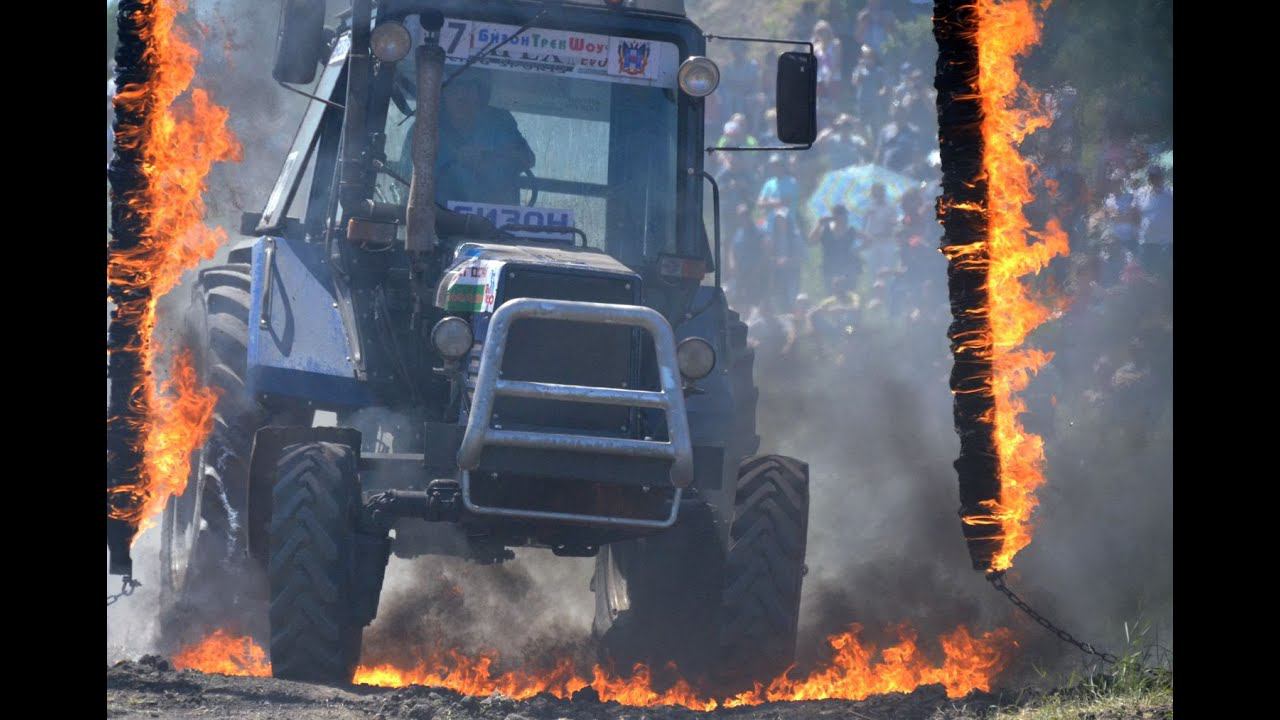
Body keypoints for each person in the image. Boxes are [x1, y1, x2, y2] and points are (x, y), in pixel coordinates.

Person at [399, 70, 535, 206]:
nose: (461, 95)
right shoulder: (425, 128)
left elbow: (526, 159)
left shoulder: (500, 123)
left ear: (480, 94)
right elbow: (404, 181)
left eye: (468, 88)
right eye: (454, 88)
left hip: (493, 221)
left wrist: (486, 157)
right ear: (443, 95)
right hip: (433, 221)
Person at [809, 204, 861, 293]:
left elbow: (869, 240)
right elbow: (812, 241)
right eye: (843, 215)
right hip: (829, 268)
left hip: (847, 268)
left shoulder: (851, 230)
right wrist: (819, 224)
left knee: (849, 294)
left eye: (845, 215)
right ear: (836, 216)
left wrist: (857, 249)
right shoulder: (825, 230)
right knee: (830, 294)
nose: (845, 218)